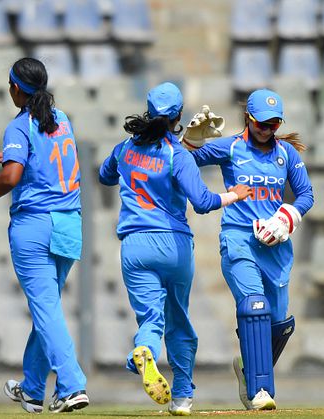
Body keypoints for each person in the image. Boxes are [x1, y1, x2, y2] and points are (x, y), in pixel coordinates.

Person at [98, 82, 252, 416]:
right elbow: (203, 202)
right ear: (178, 116)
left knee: (150, 319)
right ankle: (182, 397)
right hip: (174, 246)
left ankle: (144, 351)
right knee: (178, 320)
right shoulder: (177, 154)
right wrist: (235, 195)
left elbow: (105, 175)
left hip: (135, 246)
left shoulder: (125, 148)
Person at [0, 57, 89, 414]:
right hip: (68, 223)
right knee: (47, 308)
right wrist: (16, 156)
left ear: (16, 88)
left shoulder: (19, 126)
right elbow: (46, 159)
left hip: (34, 225)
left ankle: (72, 384)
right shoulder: (61, 120)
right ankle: (32, 389)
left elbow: (12, 178)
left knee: (45, 308)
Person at [190, 89, 314, 410]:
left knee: (279, 324)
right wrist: (190, 141)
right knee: (254, 307)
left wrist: (288, 216)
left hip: (275, 246)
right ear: (248, 117)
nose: (267, 129)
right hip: (239, 238)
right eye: (262, 123)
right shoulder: (230, 147)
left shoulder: (287, 154)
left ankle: (248, 370)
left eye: (274, 124)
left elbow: (306, 194)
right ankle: (260, 391)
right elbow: (180, 163)